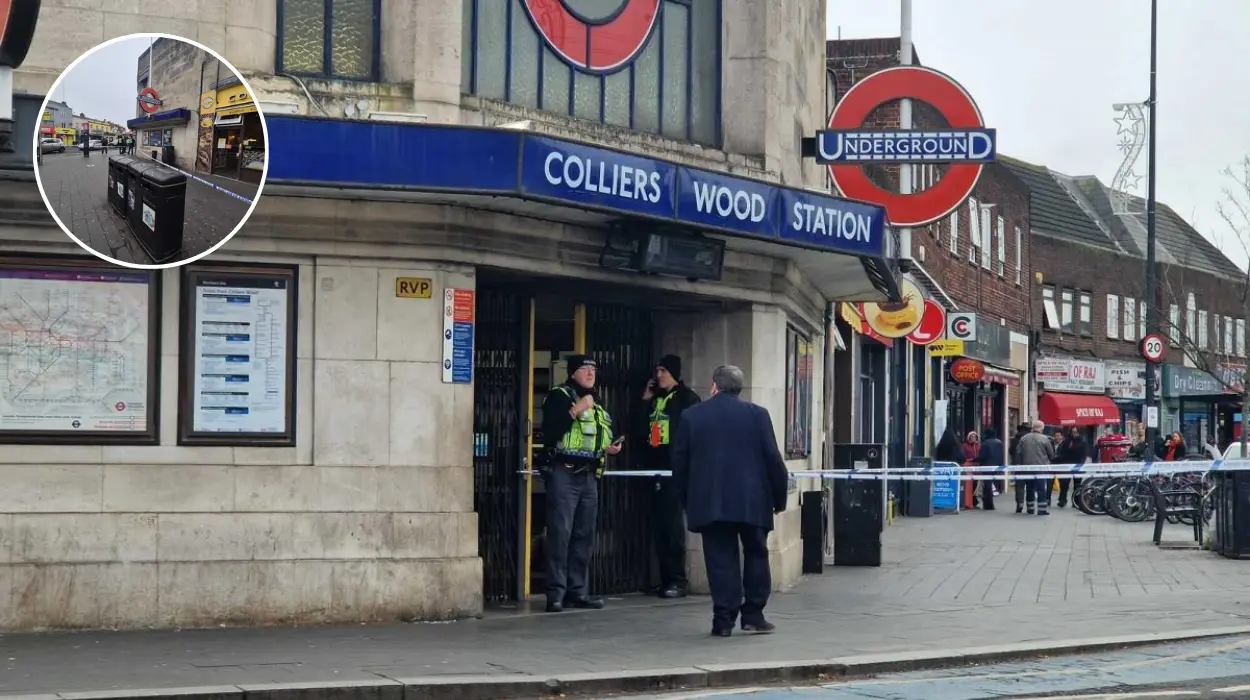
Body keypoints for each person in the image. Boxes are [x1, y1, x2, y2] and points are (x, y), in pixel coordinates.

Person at [671, 365, 788, 638]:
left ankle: (723, 620)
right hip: (752, 500)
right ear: (739, 388)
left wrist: (686, 500)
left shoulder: (692, 416)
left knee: (720, 560)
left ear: (714, 386)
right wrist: (779, 498)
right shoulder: (758, 415)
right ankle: (754, 615)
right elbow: (773, 459)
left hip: (711, 501)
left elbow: (680, 464)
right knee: (757, 554)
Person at [539, 354, 622, 613]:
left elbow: (591, 436)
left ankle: (577, 591)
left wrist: (607, 447)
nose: (590, 373)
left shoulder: (595, 401)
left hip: (588, 476)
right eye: (585, 369)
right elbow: (551, 432)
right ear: (573, 372)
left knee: (583, 536)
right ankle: (555, 594)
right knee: (560, 535)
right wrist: (575, 410)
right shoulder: (559, 396)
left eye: (593, 369)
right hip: (564, 472)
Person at [638, 354, 701, 599]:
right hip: (654, 467)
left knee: (673, 526)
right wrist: (645, 400)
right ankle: (664, 578)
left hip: (674, 470)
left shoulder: (687, 398)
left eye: (663, 371)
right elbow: (638, 428)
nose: (659, 375)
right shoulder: (655, 399)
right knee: (659, 527)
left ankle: (677, 580)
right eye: (657, 371)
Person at [1016, 420, 1056, 515]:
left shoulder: (1024, 438)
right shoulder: (1045, 439)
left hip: (1027, 468)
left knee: (1030, 488)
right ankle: (1041, 509)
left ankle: (1030, 508)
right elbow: (1051, 454)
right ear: (1041, 428)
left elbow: (1018, 452)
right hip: (1040, 468)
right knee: (1041, 489)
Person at [1055, 427, 1089, 508]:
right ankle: (1062, 500)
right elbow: (1062, 453)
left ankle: (1076, 501)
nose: (1074, 434)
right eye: (1073, 432)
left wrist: (1081, 465)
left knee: (1077, 484)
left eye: (1076, 432)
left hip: (1078, 465)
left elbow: (1084, 455)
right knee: (1064, 484)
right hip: (1067, 464)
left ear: (1079, 432)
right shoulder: (1067, 441)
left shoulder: (1082, 442)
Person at [978, 428, 1005, 511]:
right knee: (993, 484)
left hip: (987, 466)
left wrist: (975, 459)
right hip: (997, 466)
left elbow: (982, 456)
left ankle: (988, 504)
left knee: (987, 486)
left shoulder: (985, 443)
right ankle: (989, 504)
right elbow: (1001, 455)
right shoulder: (999, 443)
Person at [1010, 422, 1032, 513]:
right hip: (1030, 464)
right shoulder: (1031, 438)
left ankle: (1020, 503)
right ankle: (1030, 506)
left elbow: (1011, 450)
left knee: (1019, 485)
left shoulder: (1015, 438)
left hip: (1018, 465)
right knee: (1030, 485)